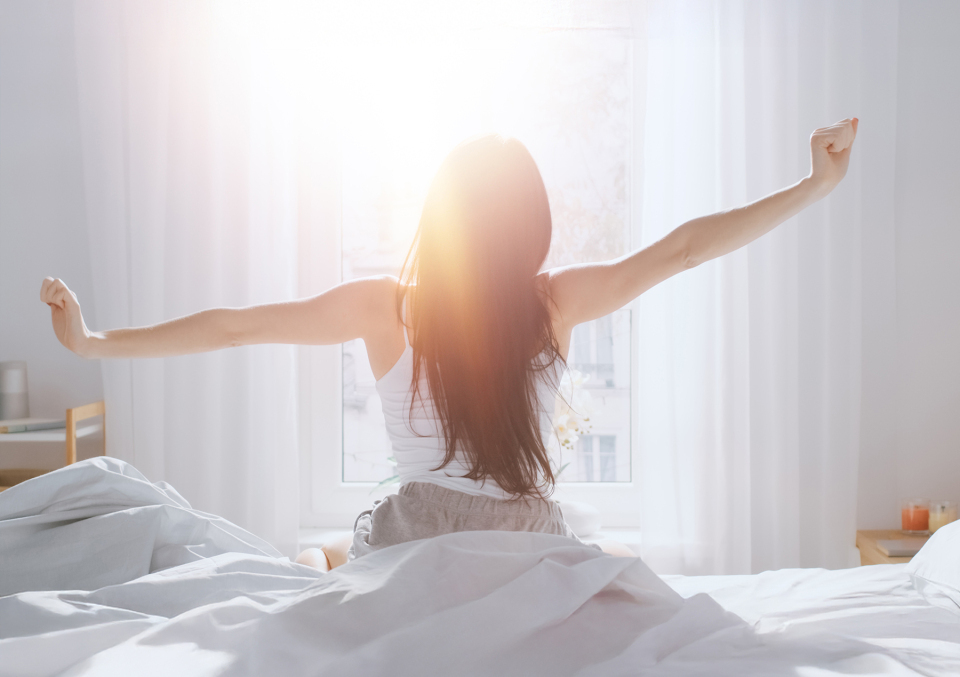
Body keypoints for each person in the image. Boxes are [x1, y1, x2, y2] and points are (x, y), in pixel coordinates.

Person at [40, 119, 858, 572]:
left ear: (442, 220)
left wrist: (96, 341)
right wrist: (814, 184)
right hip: (527, 545)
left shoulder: (386, 308)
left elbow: (234, 325)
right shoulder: (555, 302)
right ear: (530, 224)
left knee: (314, 562)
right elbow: (683, 249)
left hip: (416, 541)